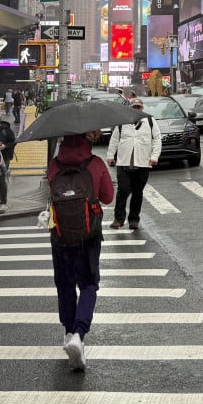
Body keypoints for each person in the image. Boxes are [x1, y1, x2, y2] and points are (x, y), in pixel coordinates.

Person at [47, 130, 114, 371]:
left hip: (61, 236)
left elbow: (48, 196)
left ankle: (68, 332)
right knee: (88, 284)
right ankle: (79, 333)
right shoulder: (95, 164)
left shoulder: (54, 165)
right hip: (89, 236)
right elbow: (108, 197)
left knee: (64, 285)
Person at [107, 97, 161, 231]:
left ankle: (133, 220)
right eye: (134, 107)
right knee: (123, 190)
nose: (136, 109)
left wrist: (154, 156)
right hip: (124, 162)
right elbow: (114, 139)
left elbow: (157, 140)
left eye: (139, 107)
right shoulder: (122, 122)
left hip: (142, 163)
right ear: (130, 108)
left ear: (142, 108)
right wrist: (110, 155)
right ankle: (118, 219)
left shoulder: (150, 121)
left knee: (137, 193)